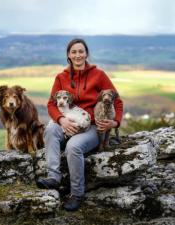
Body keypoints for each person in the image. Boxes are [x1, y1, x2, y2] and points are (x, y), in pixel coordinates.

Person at [36, 38, 123, 211]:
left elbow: (118, 101)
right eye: (74, 52)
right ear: (68, 55)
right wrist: (62, 120)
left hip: (92, 127)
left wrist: (114, 122)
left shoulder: (99, 75)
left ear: (86, 53)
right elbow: (51, 104)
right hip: (67, 123)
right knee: (51, 129)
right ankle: (54, 178)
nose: (77, 55)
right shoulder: (61, 77)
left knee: (73, 147)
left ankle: (77, 194)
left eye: (81, 51)